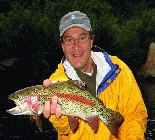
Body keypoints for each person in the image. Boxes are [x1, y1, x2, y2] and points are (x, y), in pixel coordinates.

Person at [42, 11, 148, 140]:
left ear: (91, 41)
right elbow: (66, 131)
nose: (76, 47)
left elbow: (135, 115)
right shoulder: (55, 84)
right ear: (62, 46)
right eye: (69, 40)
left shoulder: (118, 69)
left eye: (82, 38)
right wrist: (60, 118)